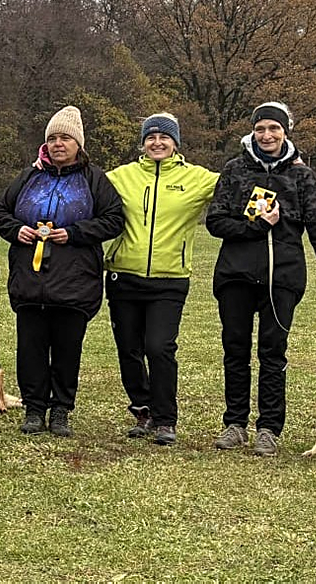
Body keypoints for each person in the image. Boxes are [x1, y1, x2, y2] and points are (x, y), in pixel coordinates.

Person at [206, 101, 316, 457]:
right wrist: (255, 226)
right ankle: (235, 424)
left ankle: (269, 428)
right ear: (252, 133)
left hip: (282, 279)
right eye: (260, 129)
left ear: (285, 132)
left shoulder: (301, 177)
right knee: (235, 350)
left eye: (274, 128)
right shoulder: (235, 170)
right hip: (236, 277)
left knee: (273, 353)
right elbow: (215, 221)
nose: (267, 135)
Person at [0, 106, 125, 437]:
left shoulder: (94, 179)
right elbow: (0, 210)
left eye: (65, 138)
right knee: (30, 349)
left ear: (78, 143)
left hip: (74, 283)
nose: (58, 144)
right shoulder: (29, 176)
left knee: (67, 350)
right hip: (29, 281)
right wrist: (16, 230)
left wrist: (75, 233)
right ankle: (34, 409)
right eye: (52, 139)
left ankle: (61, 409)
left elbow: (113, 219)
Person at [103, 114, 219, 446]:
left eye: (164, 137)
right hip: (124, 276)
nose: (157, 143)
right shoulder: (120, 176)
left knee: (159, 348)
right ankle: (143, 411)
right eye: (150, 137)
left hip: (170, 279)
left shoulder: (197, 178)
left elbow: (238, 181)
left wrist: (287, 166)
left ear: (175, 143)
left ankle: (166, 419)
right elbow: (83, 186)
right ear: (142, 143)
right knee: (129, 349)